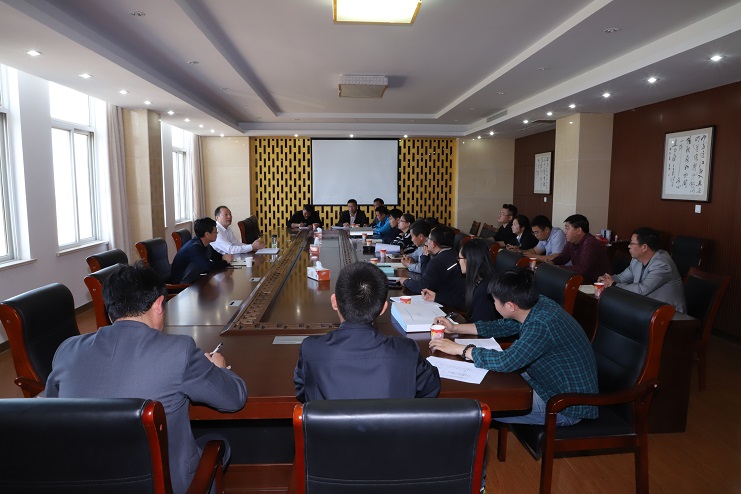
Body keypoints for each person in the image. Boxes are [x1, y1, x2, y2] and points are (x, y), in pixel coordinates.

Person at [44, 264, 247, 494]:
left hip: (84, 481)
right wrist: (220, 369)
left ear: (110, 310)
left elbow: (50, 414)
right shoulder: (178, 351)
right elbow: (234, 399)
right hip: (165, 486)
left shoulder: (67, 350)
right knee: (219, 444)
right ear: (159, 304)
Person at [429, 267, 598, 426]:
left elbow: (506, 362)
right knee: (484, 384)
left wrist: (460, 349)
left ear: (510, 306)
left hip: (565, 404)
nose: (493, 304)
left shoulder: (542, 324)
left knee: (476, 408)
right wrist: (455, 328)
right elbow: (503, 326)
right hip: (542, 382)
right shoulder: (537, 303)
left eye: (494, 301)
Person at [294, 262, 440, 401]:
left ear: (334, 302)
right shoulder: (406, 350)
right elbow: (431, 387)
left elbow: (303, 393)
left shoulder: (312, 349)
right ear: (383, 309)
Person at [598, 227, 686, 312]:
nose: (628, 246)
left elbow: (641, 290)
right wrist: (608, 279)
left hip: (669, 314)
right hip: (647, 308)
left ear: (644, 247)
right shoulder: (637, 260)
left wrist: (613, 284)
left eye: (632, 243)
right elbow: (622, 278)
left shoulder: (662, 265)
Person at [422, 238, 497, 321]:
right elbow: (464, 301)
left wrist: (454, 327)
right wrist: (437, 297)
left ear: (469, 260)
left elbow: (481, 325)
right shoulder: (478, 279)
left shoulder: (484, 288)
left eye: (460, 258)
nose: (458, 262)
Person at [400, 225, 466, 310]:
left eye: (429, 239)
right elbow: (426, 277)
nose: (427, 242)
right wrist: (425, 256)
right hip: (456, 299)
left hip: (450, 305)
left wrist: (405, 281)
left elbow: (423, 286)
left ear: (433, 243)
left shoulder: (438, 260)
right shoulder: (453, 253)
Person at [551, 214, 611, 284]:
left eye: (568, 228)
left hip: (596, 283)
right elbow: (564, 256)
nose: (565, 232)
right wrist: (552, 262)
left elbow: (582, 269)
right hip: (582, 279)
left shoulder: (590, 243)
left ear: (579, 230)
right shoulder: (572, 241)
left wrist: (557, 268)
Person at [170, 217, 233, 283]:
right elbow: (207, 266)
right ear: (207, 234)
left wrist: (225, 257)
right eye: (215, 232)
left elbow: (216, 257)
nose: (217, 234)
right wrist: (225, 262)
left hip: (195, 280)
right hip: (183, 285)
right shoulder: (194, 248)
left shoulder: (205, 244)